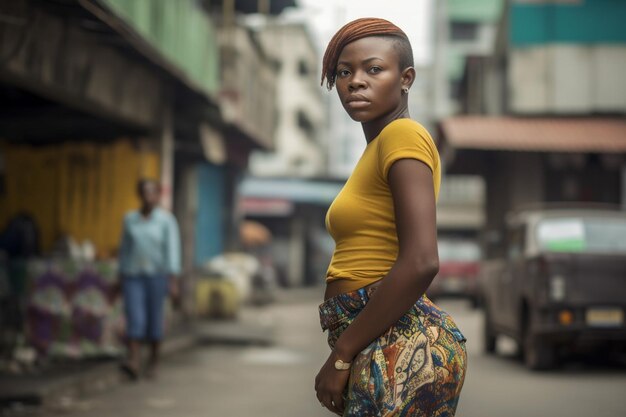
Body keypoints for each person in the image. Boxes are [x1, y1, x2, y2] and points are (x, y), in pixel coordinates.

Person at [314, 18, 467, 416]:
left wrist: (342, 354)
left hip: (403, 341)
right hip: (382, 337)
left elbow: (421, 261)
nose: (355, 82)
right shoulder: (379, 146)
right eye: (344, 72)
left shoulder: (403, 136)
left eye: (373, 69)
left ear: (406, 78)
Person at [118, 179, 181, 379]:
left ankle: (154, 362)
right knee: (135, 318)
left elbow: (172, 250)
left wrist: (173, 280)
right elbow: (124, 250)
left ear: (158, 195)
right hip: (133, 275)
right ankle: (134, 361)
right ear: (140, 194)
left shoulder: (166, 220)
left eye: (153, 192)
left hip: (157, 276)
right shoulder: (130, 219)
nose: (149, 196)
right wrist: (119, 276)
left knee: (155, 319)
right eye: (145, 192)